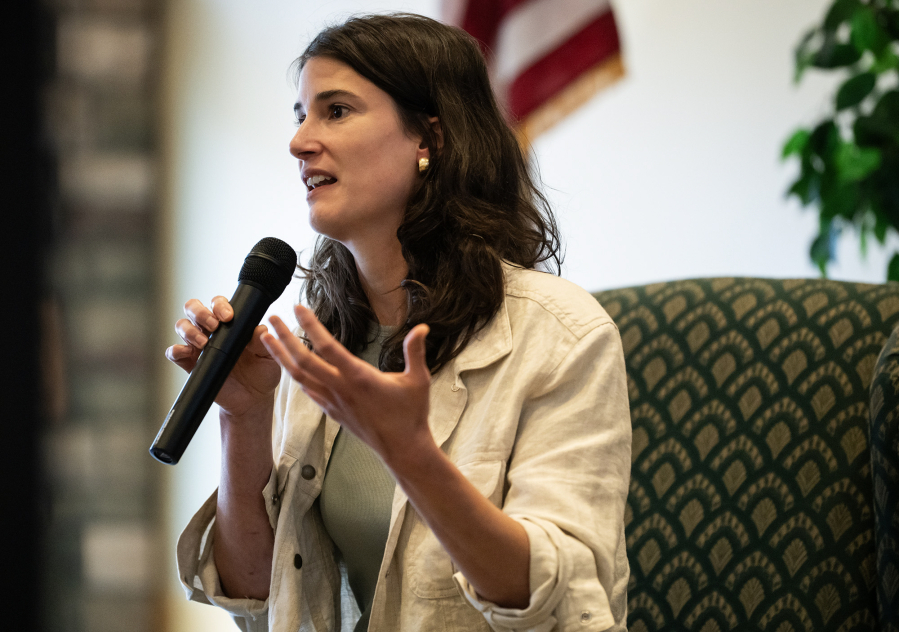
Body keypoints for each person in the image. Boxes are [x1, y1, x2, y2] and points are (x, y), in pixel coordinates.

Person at [169, 13, 631, 632]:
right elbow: (259, 603)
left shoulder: (563, 336)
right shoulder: (313, 344)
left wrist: (412, 453)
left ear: (429, 140)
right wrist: (243, 417)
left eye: (335, 111)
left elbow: (554, 604)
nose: (300, 141)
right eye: (300, 113)